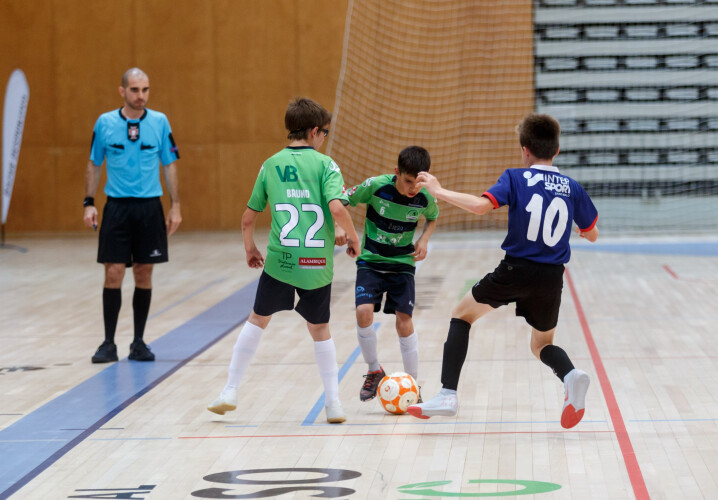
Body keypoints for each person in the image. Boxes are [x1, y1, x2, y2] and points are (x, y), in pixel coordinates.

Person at [407, 113, 598, 429]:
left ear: (525, 150)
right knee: (542, 345)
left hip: (516, 269)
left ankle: (447, 395)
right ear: (557, 150)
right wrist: (580, 231)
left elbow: (481, 206)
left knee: (461, 315)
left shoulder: (515, 177)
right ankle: (571, 375)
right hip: (552, 277)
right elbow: (592, 233)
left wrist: (439, 191)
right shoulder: (572, 187)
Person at [207, 97, 361, 424]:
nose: (325, 139)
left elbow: (248, 218)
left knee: (257, 320)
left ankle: (230, 390)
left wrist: (250, 249)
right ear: (315, 131)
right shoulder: (326, 165)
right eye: (325, 133)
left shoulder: (270, 164)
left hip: (280, 261)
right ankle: (333, 404)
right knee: (319, 328)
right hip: (316, 265)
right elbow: (335, 208)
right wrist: (352, 235)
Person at [83, 68, 181, 364]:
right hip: (117, 208)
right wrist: (89, 202)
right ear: (122, 91)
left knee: (143, 271)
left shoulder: (160, 122)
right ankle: (108, 343)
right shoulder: (105, 123)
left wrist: (175, 205)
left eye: (146, 90)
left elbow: (170, 165)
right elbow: (94, 165)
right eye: (135, 90)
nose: (141, 95)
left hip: (149, 208)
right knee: (113, 272)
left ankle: (138, 342)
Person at [342, 146, 438, 402]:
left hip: (402, 264)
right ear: (397, 172)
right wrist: (344, 231)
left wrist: (424, 240)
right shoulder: (375, 186)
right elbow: (342, 200)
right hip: (371, 262)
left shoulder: (425, 197)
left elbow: (433, 217)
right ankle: (374, 370)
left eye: (418, 183)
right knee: (363, 312)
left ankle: (413, 385)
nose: (412, 189)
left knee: (403, 320)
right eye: (408, 181)